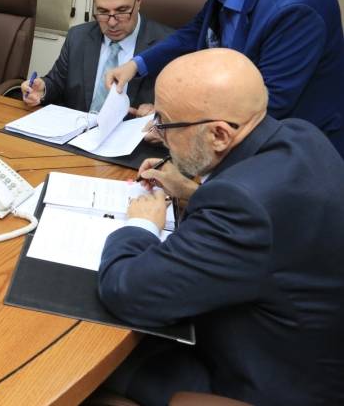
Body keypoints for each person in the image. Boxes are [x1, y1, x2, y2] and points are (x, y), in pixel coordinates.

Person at [98, 49, 344, 406]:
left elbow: (126, 292)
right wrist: (193, 191)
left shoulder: (243, 207)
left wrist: (142, 224)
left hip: (260, 380)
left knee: (88, 361)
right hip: (308, 350)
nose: (157, 134)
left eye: (164, 123)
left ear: (218, 135)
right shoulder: (301, 134)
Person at [105, 0, 344, 157]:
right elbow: (197, 32)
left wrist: (181, 132)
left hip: (294, 149)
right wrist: (136, 65)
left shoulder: (295, 7)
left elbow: (268, 104)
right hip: (240, 130)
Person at [20, 0, 172, 112]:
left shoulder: (167, 46)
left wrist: (158, 114)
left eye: (122, 11)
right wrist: (43, 89)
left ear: (139, 1)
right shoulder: (78, 37)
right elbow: (56, 83)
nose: (112, 23)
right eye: (103, 12)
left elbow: (176, 108)